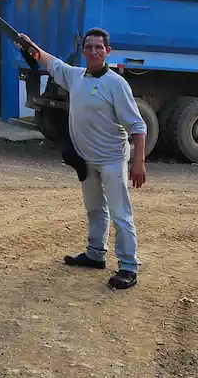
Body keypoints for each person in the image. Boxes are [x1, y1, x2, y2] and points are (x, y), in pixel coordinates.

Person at [17, 28, 147, 290]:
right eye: (89, 47)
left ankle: (128, 267)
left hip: (112, 159)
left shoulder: (116, 84)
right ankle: (95, 254)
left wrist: (138, 163)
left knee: (121, 214)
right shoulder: (76, 77)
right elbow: (52, 63)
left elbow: (138, 126)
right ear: (84, 51)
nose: (94, 51)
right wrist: (30, 45)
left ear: (108, 52)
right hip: (86, 159)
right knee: (95, 208)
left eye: (99, 47)